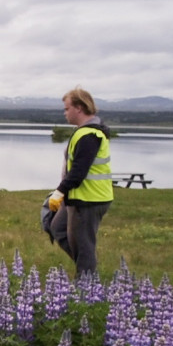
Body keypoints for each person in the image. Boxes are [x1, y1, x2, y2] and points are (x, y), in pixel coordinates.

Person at [47, 87, 113, 278]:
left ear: (79, 107)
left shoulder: (89, 135)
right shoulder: (83, 132)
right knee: (57, 228)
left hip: (88, 200)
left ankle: (86, 286)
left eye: (67, 108)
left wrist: (59, 192)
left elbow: (78, 171)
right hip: (78, 198)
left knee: (83, 247)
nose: (65, 113)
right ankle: (87, 269)